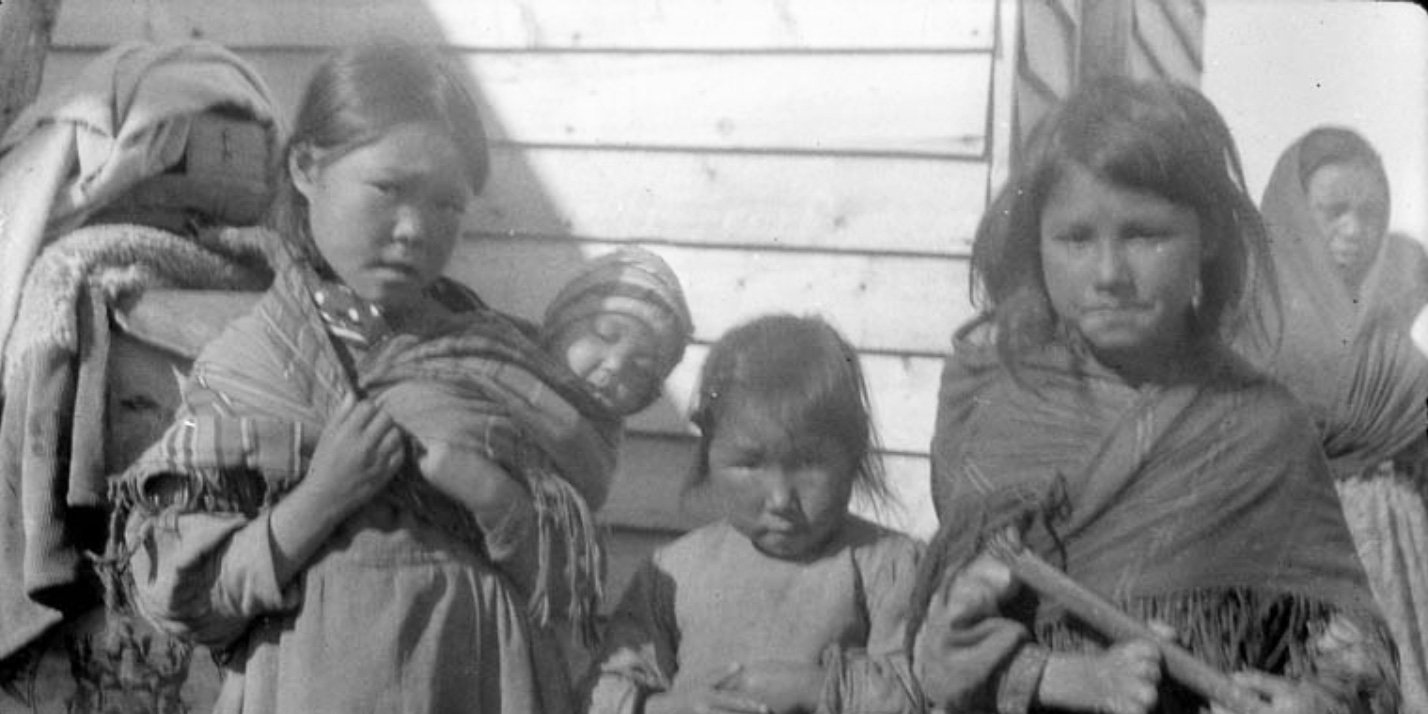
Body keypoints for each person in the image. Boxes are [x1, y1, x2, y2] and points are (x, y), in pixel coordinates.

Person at [102, 41, 582, 714]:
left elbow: (570, 585)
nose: (415, 229)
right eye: (389, 189)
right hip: (313, 683)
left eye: (448, 205)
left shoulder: (499, 366)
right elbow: (186, 601)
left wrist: (492, 495)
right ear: (305, 167)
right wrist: (320, 497)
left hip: (479, 679)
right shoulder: (252, 367)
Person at [910, 77, 1398, 714]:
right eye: (1076, 239)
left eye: (1145, 235)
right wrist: (1033, 671)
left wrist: (1319, 700)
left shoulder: (1262, 426)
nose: (1110, 274)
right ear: (1036, 243)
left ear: (1210, 238)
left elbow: (1352, 648)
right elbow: (938, 639)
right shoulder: (993, 403)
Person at [582, 315, 923, 714]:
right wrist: (669, 707)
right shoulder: (673, 574)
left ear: (853, 450)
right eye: (749, 465)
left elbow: (924, 691)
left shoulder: (889, 568)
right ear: (710, 452)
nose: (780, 499)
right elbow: (603, 691)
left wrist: (817, 689)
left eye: (808, 464)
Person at [366, 246, 693, 637]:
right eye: (605, 335)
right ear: (560, 326)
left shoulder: (593, 451)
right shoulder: (484, 349)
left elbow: (564, 572)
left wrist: (492, 494)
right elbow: (419, 386)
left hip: (472, 604)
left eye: (640, 368)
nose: (615, 365)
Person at [1243, 126, 1428, 711]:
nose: (1355, 231)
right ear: (1295, 219)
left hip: (1404, 558)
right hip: (1299, 556)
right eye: (1333, 212)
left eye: (1371, 214)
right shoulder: (1253, 332)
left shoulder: (1389, 338)